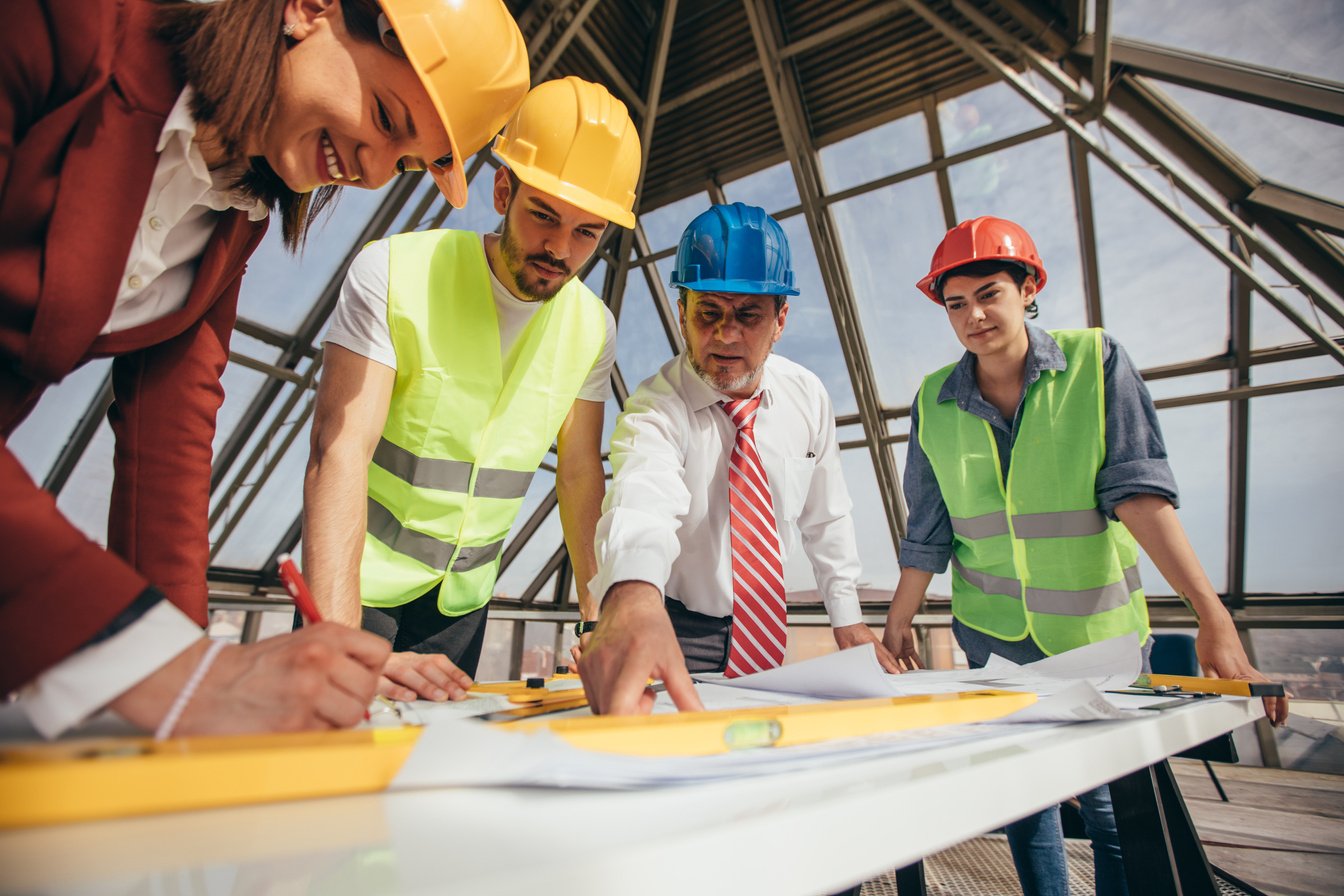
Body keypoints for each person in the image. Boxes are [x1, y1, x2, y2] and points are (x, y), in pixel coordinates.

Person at [1, 0, 530, 738]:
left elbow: (168, 449)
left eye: (405, 163)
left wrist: (195, 680)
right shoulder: (63, 24)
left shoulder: (231, 214)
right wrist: (165, 671)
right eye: (385, 116)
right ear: (308, 9)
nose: (374, 174)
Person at [881, 216, 1290, 896]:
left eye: (990, 293)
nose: (974, 315)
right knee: (1024, 796)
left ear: (1028, 288)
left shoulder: (1096, 364)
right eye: (956, 303)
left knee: (1111, 810)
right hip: (994, 638)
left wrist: (1212, 616)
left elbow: (1140, 496)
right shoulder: (935, 400)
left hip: (1096, 640)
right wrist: (899, 619)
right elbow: (931, 524)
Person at [302, 76, 641, 701]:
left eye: (587, 233)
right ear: (503, 188)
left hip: (462, 606)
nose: (560, 250)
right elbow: (338, 450)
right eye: (544, 216)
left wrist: (598, 617)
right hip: (355, 584)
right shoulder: (394, 271)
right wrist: (336, 637)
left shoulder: (593, 326)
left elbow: (578, 474)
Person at [580, 203, 898, 716]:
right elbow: (641, 502)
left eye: (748, 315)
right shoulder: (655, 406)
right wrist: (635, 599)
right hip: (674, 629)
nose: (727, 335)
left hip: (769, 631)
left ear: (781, 319)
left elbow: (826, 516)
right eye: (709, 312)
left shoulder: (808, 397)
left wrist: (847, 617)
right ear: (681, 311)